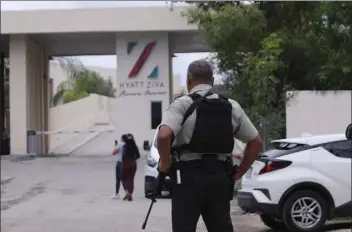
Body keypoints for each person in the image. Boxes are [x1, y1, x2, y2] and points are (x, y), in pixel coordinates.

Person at [157, 59, 262, 232]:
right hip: (219, 177)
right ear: (212, 81)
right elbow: (255, 142)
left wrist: (165, 163)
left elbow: (163, 136)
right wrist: (239, 174)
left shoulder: (182, 104)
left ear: (188, 80)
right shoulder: (231, 106)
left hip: (187, 177)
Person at [121, 133, 140, 201]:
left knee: (123, 178)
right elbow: (138, 156)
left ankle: (127, 192)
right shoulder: (135, 146)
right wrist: (133, 158)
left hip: (126, 163)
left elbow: (123, 156)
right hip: (133, 164)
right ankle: (130, 194)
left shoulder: (125, 147)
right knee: (131, 179)